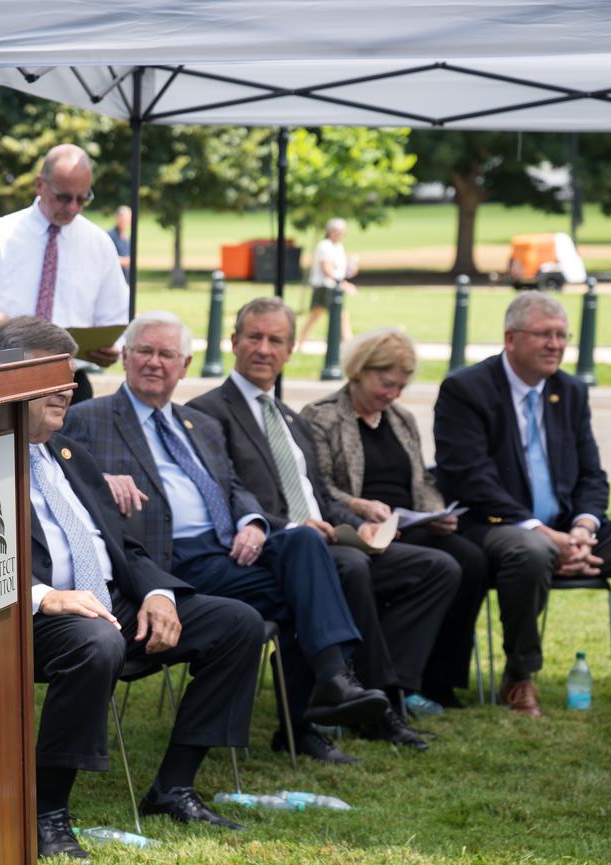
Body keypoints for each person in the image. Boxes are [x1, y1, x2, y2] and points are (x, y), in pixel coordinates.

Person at [65, 311, 397, 766]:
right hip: (167, 561)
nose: (154, 363)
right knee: (303, 599)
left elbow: (234, 487)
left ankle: (331, 681)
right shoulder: (89, 417)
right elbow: (53, 470)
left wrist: (254, 523)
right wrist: (102, 478)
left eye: (167, 355)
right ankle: (318, 703)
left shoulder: (198, 424)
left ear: (185, 366)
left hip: (226, 550)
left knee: (303, 542)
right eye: (144, 351)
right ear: (124, 357)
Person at [0, 317, 265, 859]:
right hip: (29, 613)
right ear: (10, 379)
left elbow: (124, 548)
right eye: (55, 378)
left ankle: (174, 787)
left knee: (237, 623)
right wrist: (46, 595)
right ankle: (47, 815)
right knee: (97, 642)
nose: (70, 389)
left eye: (71, 377)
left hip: (111, 603)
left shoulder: (69, 454)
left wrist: (160, 595)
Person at [186, 300, 458, 747]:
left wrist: (359, 522)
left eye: (276, 340)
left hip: (330, 539)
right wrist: (289, 527)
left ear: (291, 350)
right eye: (254, 337)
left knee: (436, 568)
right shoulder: (206, 414)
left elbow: (320, 497)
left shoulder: (290, 419)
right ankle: (374, 706)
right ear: (233, 342)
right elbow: (222, 497)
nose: (263, 349)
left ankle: (389, 688)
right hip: (270, 548)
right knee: (350, 567)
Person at [434, 291, 611, 715]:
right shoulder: (465, 390)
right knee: (531, 549)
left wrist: (582, 529)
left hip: (565, 529)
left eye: (562, 335)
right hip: (495, 527)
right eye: (544, 334)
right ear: (510, 338)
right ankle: (519, 676)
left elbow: (592, 475)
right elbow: (471, 478)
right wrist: (542, 533)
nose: (556, 345)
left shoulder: (570, 391)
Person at [301, 327, 489, 711]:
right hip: (364, 529)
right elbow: (318, 487)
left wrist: (436, 512)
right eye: (385, 384)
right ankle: (398, 682)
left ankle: (439, 677)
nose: (392, 395)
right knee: (442, 568)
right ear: (359, 370)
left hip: (410, 524)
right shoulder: (323, 418)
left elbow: (422, 478)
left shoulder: (400, 419)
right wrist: (359, 505)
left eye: (400, 387)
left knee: (473, 560)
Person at [0, 144, 128, 402]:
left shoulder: (99, 243)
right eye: (63, 197)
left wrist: (113, 348)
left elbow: (116, 317)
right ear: (40, 185)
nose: (73, 207)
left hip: (69, 379)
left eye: (82, 198)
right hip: (3, 369)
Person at [296, 217, 359, 352]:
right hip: (325, 287)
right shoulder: (324, 246)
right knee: (339, 315)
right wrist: (344, 284)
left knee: (319, 315)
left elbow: (340, 270)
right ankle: (350, 345)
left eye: (341, 231)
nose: (339, 234)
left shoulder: (339, 247)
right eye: (336, 231)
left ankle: (300, 342)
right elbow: (327, 269)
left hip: (334, 286)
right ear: (329, 231)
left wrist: (351, 270)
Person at [108, 204, 132, 281]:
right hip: (113, 280)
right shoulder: (110, 236)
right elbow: (106, 259)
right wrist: (125, 261)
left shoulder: (127, 238)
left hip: (124, 279)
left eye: (127, 219)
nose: (124, 222)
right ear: (117, 218)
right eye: (123, 219)